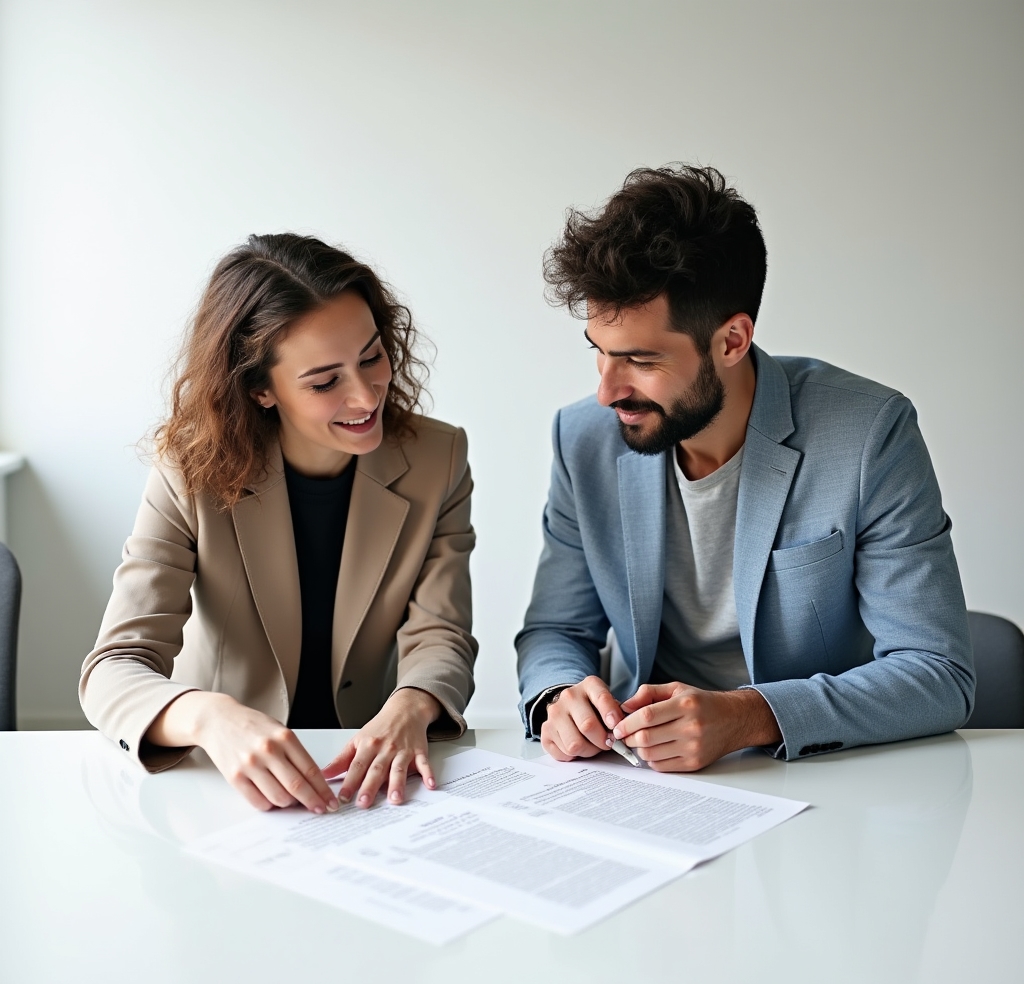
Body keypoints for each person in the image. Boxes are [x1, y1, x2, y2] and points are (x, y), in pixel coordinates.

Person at [517, 165, 974, 770]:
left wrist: (749, 716)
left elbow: (938, 672)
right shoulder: (583, 440)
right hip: (640, 778)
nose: (607, 392)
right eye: (599, 352)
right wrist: (559, 696)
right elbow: (555, 629)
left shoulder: (870, 433)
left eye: (641, 361)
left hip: (821, 776)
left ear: (732, 340)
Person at [81, 234, 476, 812]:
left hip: (365, 775)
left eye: (371, 357)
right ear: (260, 389)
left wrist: (411, 704)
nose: (365, 396)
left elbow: (441, 631)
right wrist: (209, 717)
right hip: (222, 784)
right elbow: (114, 667)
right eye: (325, 382)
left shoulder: (438, 458)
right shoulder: (190, 471)